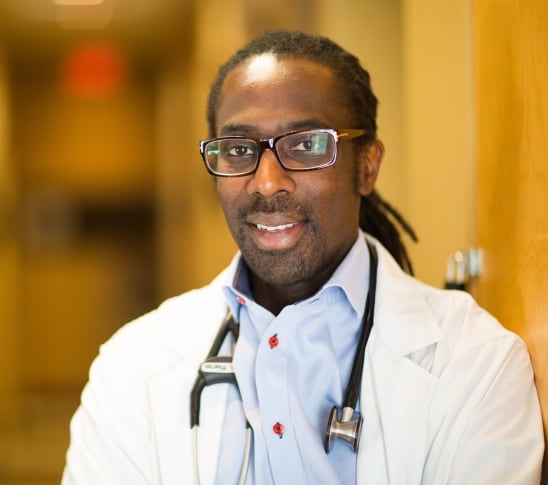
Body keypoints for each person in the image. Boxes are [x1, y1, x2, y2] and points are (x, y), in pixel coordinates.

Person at [62, 30, 544, 484]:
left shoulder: (475, 364)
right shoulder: (133, 367)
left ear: (367, 167)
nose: (267, 182)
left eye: (307, 145)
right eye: (237, 149)